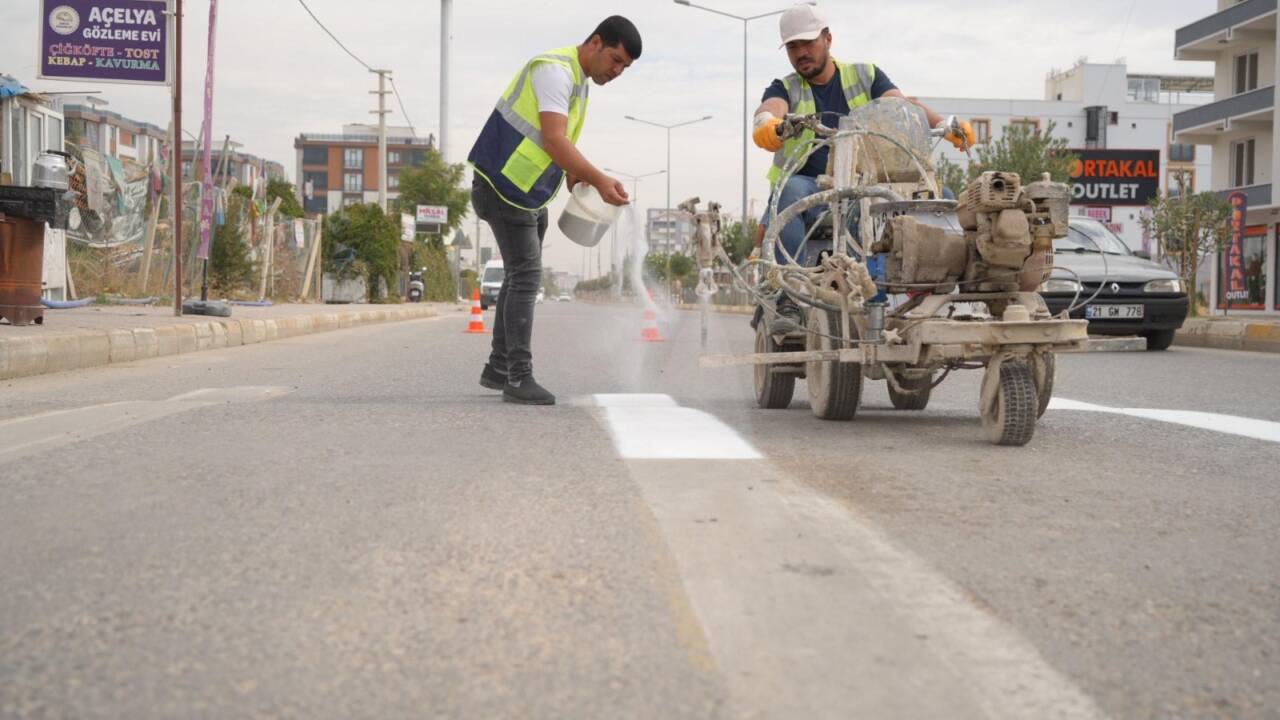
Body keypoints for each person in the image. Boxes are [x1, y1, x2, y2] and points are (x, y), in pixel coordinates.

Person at [751, 4, 974, 328]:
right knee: (791, 192)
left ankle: (945, 292)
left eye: (808, 43)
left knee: (943, 198)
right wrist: (766, 124)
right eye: (793, 46)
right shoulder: (785, 88)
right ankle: (790, 297)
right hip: (816, 187)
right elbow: (770, 108)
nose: (801, 52)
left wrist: (947, 124)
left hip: (867, 182)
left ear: (827, 39)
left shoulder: (866, 76)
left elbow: (902, 105)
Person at [468, 17, 640, 405]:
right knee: (526, 276)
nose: (616, 72)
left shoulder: (579, 83)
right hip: (503, 185)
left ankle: (499, 367)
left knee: (517, 277)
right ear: (595, 43)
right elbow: (553, 138)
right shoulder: (555, 71)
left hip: (527, 191)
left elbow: (558, 144)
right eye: (615, 60)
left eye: (624, 68)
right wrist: (596, 178)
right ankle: (518, 376)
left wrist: (572, 176)